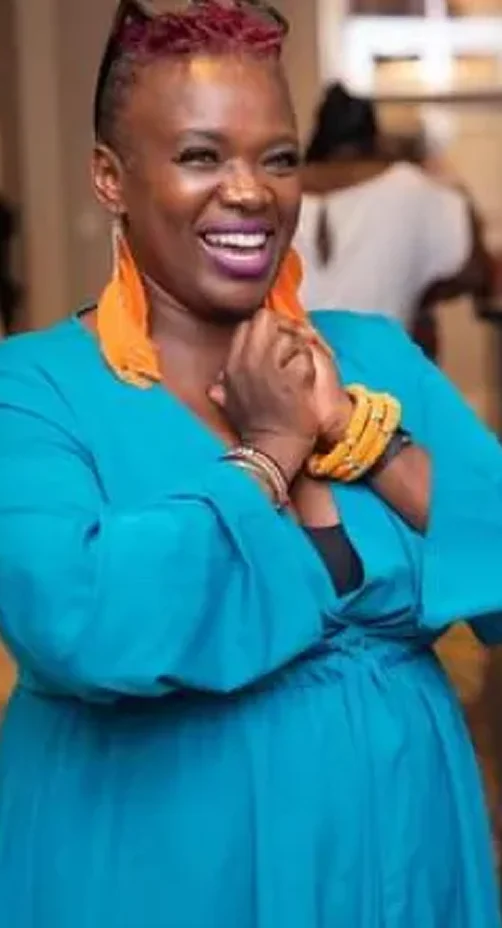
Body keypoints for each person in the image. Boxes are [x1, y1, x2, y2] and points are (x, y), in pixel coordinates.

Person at [0, 2, 502, 925]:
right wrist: (271, 452)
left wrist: (362, 435)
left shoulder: (375, 358)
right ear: (110, 177)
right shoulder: (33, 390)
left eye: (277, 158)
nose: (250, 192)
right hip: (159, 879)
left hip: (401, 870)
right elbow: (80, 622)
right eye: (202, 156)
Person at [296, 83, 491, 359]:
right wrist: (416, 288)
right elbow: (475, 271)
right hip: (383, 370)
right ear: (376, 139)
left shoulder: (276, 187)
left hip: (286, 371)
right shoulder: (411, 187)